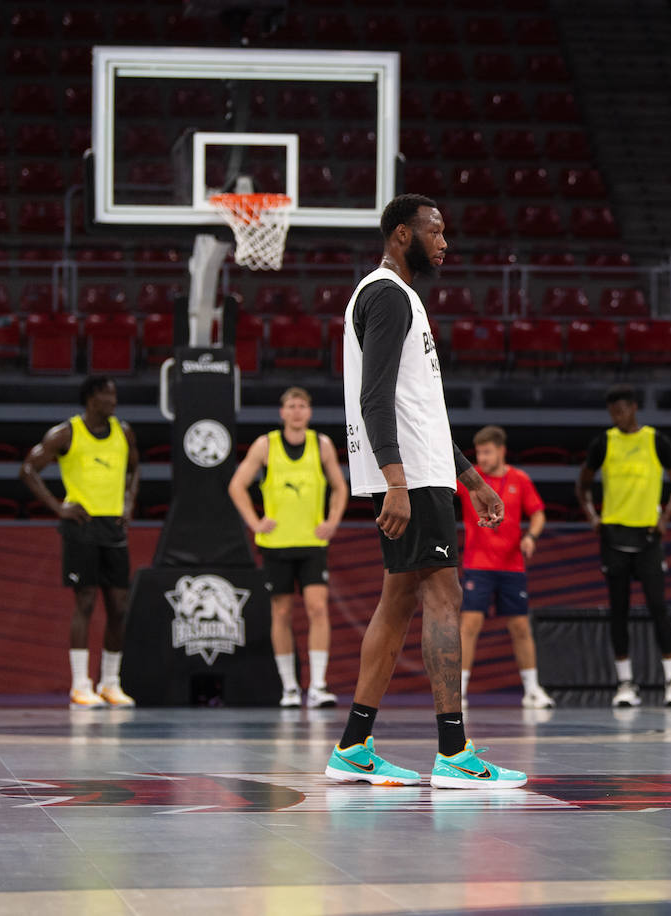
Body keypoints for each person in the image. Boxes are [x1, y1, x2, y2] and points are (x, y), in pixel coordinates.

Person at [324, 193, 525, 789]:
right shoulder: (386, 294)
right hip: (409, 478)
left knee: (398, 602)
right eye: (435, 231)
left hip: (426, 472)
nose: (445, 242)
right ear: (402, 236)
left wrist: (471, 478)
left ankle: (354, 745)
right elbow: (375, 397)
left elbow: (422, 410)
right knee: (445, 596)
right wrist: (396, 482)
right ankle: (453, 751)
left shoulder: (399, 296)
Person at [19, 376, 141, 708]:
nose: (113, 401)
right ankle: (79, 684)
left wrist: (129, 503)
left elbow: (134, 469)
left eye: (115, 394)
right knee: (85, 602)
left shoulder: (123, 432)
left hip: (113, 527)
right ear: (90, 399)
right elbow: (29, 468)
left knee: (119, 606)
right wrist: (59, 507)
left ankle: (110, 683)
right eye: (106, 395)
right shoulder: (66, 433)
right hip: (81, 527)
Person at [228, 386, 348, 709]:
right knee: (281, 612)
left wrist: (332, 520)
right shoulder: (265, 445)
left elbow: (339, 486)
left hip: (311, 541)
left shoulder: (320, 445)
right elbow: (237, 485)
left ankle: (319, 685)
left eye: (302, 406)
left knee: (317, 608)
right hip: (277, 543)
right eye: (291, 406)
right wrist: (255, 522)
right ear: (282, 412)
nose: (296, 411)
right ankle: (290, 688)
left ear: (309, 412)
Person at [575, 385, 671, 708]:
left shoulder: (655, 440)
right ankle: (625, 683)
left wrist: (666, 516)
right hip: (613, 537)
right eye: (613, 411)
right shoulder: (604, 442)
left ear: (634, 407)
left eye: (622, 409)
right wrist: (592, 516)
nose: (618, 415)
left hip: (649, 537)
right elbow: (582, 484)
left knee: (658, 608)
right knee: (619, 611)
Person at [457, 426, 554, 710]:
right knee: (470, 625)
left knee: (520, 626)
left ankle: (532, 690)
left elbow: (538, 514)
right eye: (479, 453)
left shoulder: (519, 479)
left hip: (512, 565)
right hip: (478, 563)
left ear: (501, 451)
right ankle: (458, 692)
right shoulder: (470, 478)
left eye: (487, 452)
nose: (483, 458)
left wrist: (531, 537)